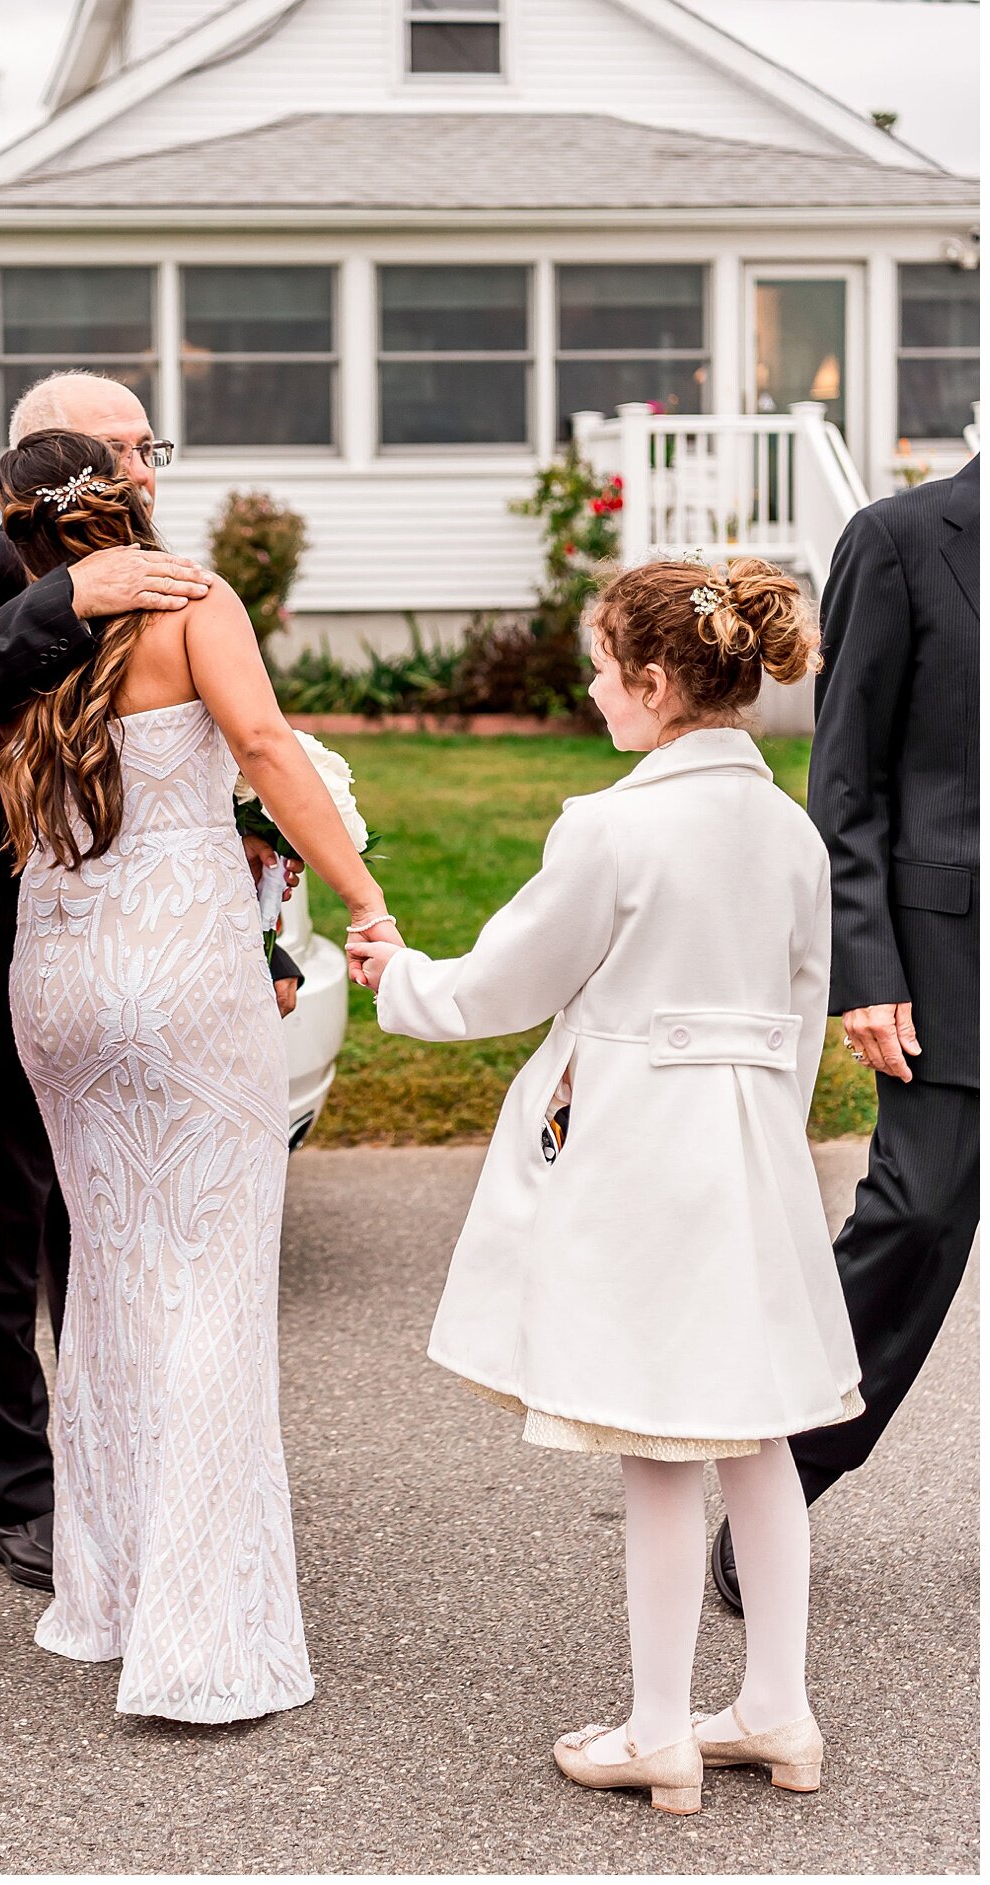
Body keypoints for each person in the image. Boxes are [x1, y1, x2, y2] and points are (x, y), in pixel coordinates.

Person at [356, 559, 861, 1813]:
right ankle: (778, 1710)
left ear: (649, 681)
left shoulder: (612, 826)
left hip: (644, 1148)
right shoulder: (788, 827)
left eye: (600, 668)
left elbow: (505, 984)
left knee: (657, 1444)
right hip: (753, 1144)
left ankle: (658, 1730)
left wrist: (397, 975)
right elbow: (804, 1008)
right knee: (760, 1438)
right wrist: (763, 1129)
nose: (591, 690)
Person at [0, 428, 391, 1720]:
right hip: (179, 976)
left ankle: (108, 1596)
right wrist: (363, 894)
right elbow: (266, 746)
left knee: (109, 1278)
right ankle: (203, 1633)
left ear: (25, 524)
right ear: (130, 498)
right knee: (213, 1281)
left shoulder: (23, 637)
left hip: (56, 984)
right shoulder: (194, 602)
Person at [0, 371, 303, 1594]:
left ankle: (128, 1481)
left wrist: (257, 940)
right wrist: (70, 594)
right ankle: (13, 1495)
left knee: (117, 1235)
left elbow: (220, 774)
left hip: (147, 962)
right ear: (40, 464)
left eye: (147, 448)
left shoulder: (182, 581)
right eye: (115, 453)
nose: (141, 474)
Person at [711, 455, 979, 1613]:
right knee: (917, 1212)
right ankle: (781, 1478)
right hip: (949, 952)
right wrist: (864, 965)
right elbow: (847, 773)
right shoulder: (902, 537)